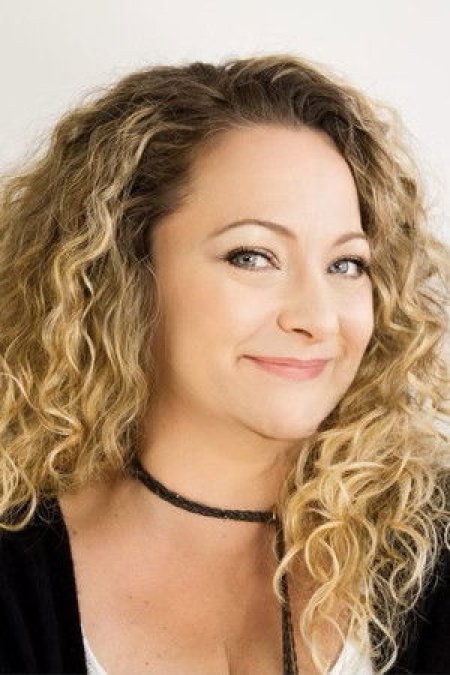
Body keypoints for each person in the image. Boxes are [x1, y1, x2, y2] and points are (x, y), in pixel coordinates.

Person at [0, 53, 449, 675]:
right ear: (122, 273)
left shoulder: (432, 548)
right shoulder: (16, 573)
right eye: (252, 256)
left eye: (346, 264)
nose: (318, 318)